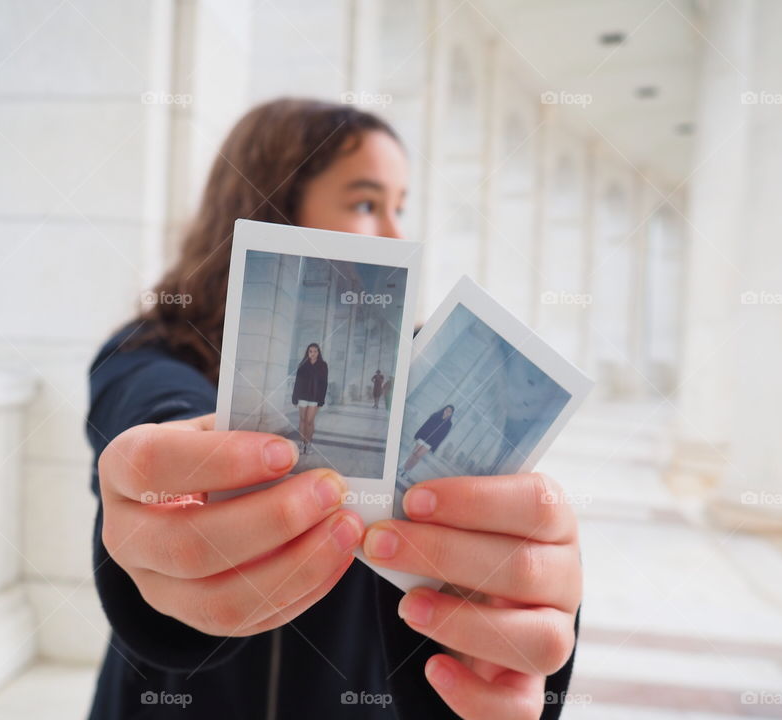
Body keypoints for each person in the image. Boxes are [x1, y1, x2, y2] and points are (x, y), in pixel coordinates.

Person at [87, 98, 582, 720]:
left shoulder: (413, 371)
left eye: (401, 207)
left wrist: (516, 617)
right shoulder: (148, 350)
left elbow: (472, 610)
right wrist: (160, 478)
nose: (400, 235)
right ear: (274, 210)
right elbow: (150, 409)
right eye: (366, 204)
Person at [400, 405, 455, 481]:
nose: (447, 412)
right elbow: (425, 425)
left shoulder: (448, 424)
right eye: (446, 410)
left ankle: (407, 471)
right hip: (423, 437)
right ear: (444, 410)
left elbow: (442, 437)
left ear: (451, 414)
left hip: (431, 442)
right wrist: (417, 435)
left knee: (418, 456)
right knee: (414, 453)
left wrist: (434, 446)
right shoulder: (435, 416)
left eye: (449, 411)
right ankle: (404, 468)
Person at [291, 342, 328, 455]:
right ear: (308, 352)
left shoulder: (323, 365)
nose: (313, 353)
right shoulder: (303, 364)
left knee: (309, 421)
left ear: (318, 353)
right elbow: (297, 382)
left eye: (315, 351)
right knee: (302, 420)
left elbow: (324, 383)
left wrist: (321, 400)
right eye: (310, 351)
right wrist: (294, 397)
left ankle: (308, 443)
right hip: (302, 396)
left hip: (314, 397)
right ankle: (302, 443)